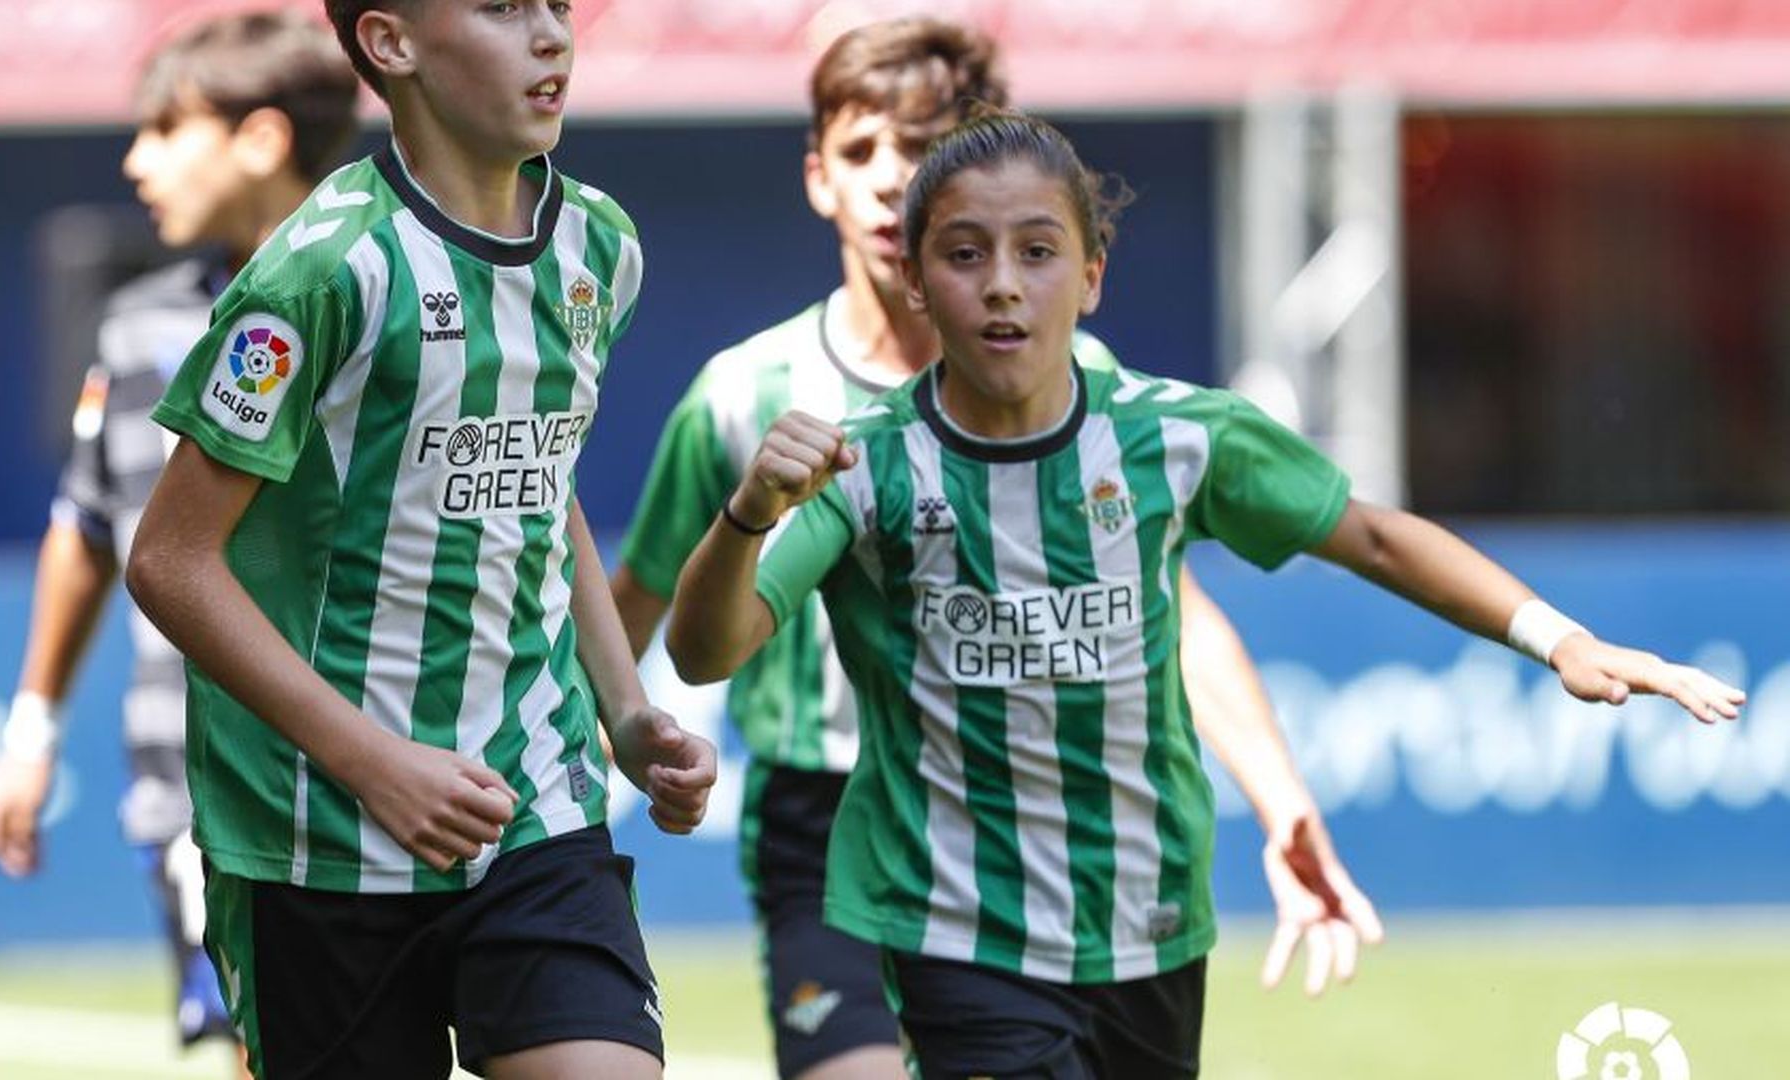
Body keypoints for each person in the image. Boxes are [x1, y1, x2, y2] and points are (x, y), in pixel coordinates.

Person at [665, 109, 1745, 1079]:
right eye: (964, 253)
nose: (1002, 282)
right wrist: (752, 511)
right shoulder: (866, 468)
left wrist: (1555, 639)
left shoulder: (1178, 437)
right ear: (915, 280)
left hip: (1151, 917)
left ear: (1091, 275)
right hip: (957, 928)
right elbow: (709, 651)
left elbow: (1369, 535)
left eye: (1038, 252)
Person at [614, 18, 1377, 1080]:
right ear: (818, 178)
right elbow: (638, 607)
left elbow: (1176, 615)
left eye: (924, 146)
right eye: (863, 150)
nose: (892, 180)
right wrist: (605, 747)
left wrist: (1280, 795)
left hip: (1017, 820)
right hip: (827, 815)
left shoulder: (1081, 379)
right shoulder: (744, 396)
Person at [124, 3, 717, 1078]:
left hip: (532, 798)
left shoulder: (601, 245)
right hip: (318, 833)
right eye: (500, 9)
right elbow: (169, 560)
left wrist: (625, 708)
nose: (549, 37)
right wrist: (375, 764)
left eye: (555, 7)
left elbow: (542, 486)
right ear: (391, 43)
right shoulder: (318, 272)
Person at [0, 11, 362, 1074]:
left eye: (165, 128)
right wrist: (29, 733)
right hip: (204, 786)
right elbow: (87, 527)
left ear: (261, 138)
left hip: (382, 771)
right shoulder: (139, 327)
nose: (135, 160)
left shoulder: (391, 309)